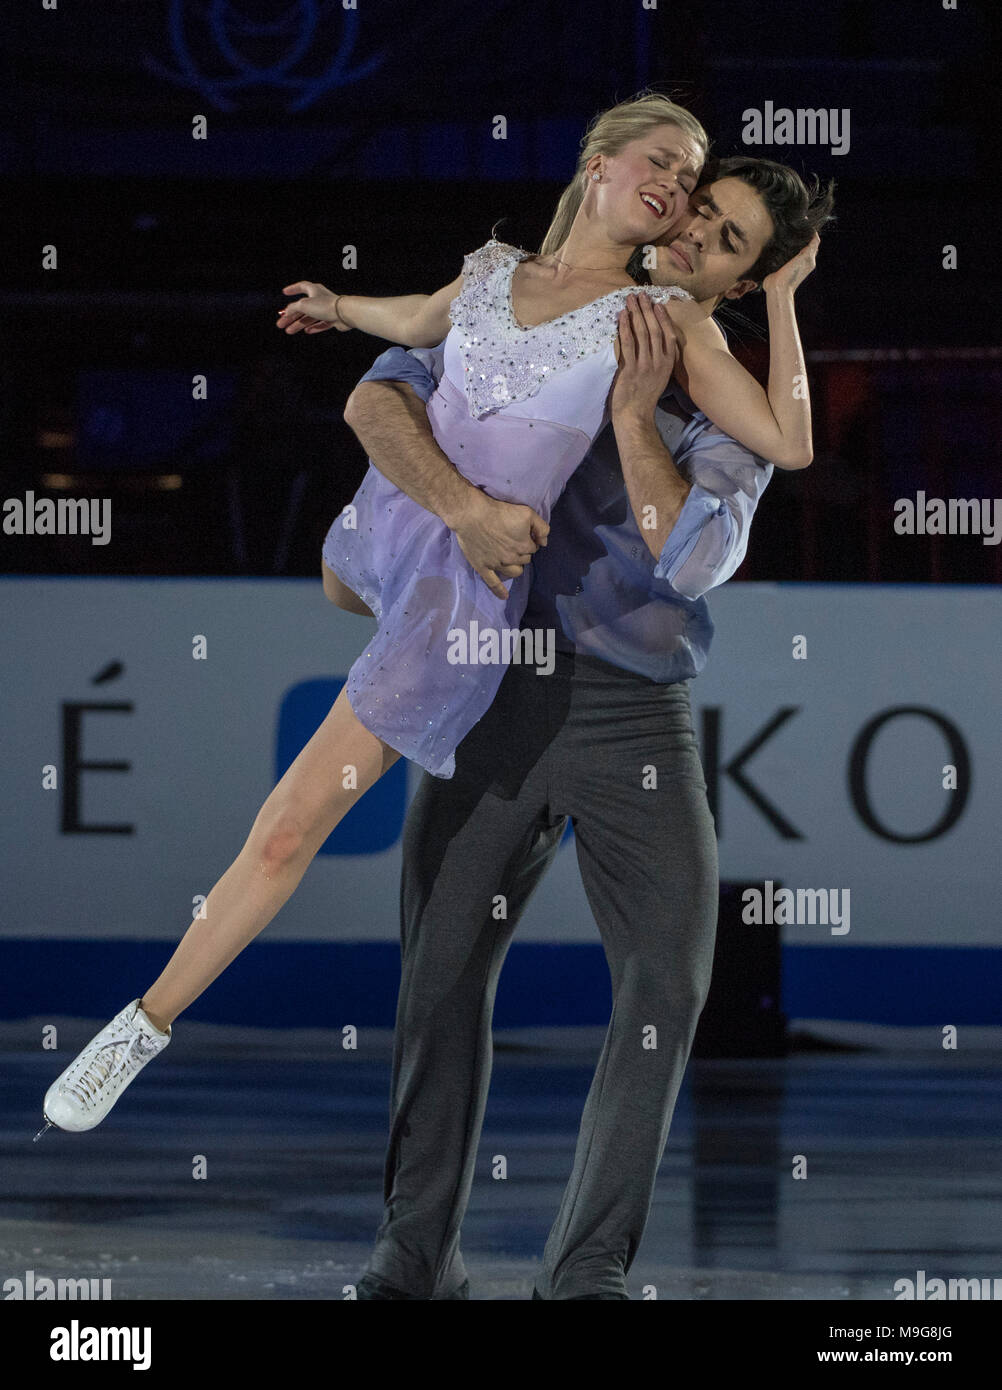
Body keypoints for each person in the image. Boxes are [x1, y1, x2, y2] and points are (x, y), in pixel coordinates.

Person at [314, 155, 833, 1300]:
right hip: (492, 688)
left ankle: (585, 1270)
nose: (695, 235)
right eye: (700, 209)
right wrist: (446, 504)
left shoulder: (715, 393)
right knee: (438, 973)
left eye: (731, 242)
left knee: (668, 979)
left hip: (631, 719)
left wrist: (636, 411)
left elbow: (691, 554)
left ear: (742, 284)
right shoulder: (527, 296)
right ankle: (415, 1253)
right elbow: (382, 389)